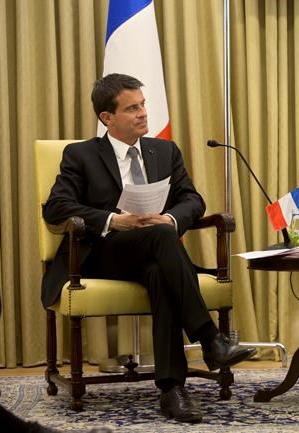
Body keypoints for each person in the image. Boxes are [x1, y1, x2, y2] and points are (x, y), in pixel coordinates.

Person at [41, 73, 256, 424]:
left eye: (143, 105)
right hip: (100, 254)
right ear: (107, 118)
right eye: (132, 108)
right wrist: (113, 220)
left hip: (155, 252)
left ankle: (172, 389)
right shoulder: (81, 155)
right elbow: (56, 208)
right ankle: (209, 338)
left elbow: (192, 200)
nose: (143, 113)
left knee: (160, 265)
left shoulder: (164, 151)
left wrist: (170, 219)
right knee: (162, 239)